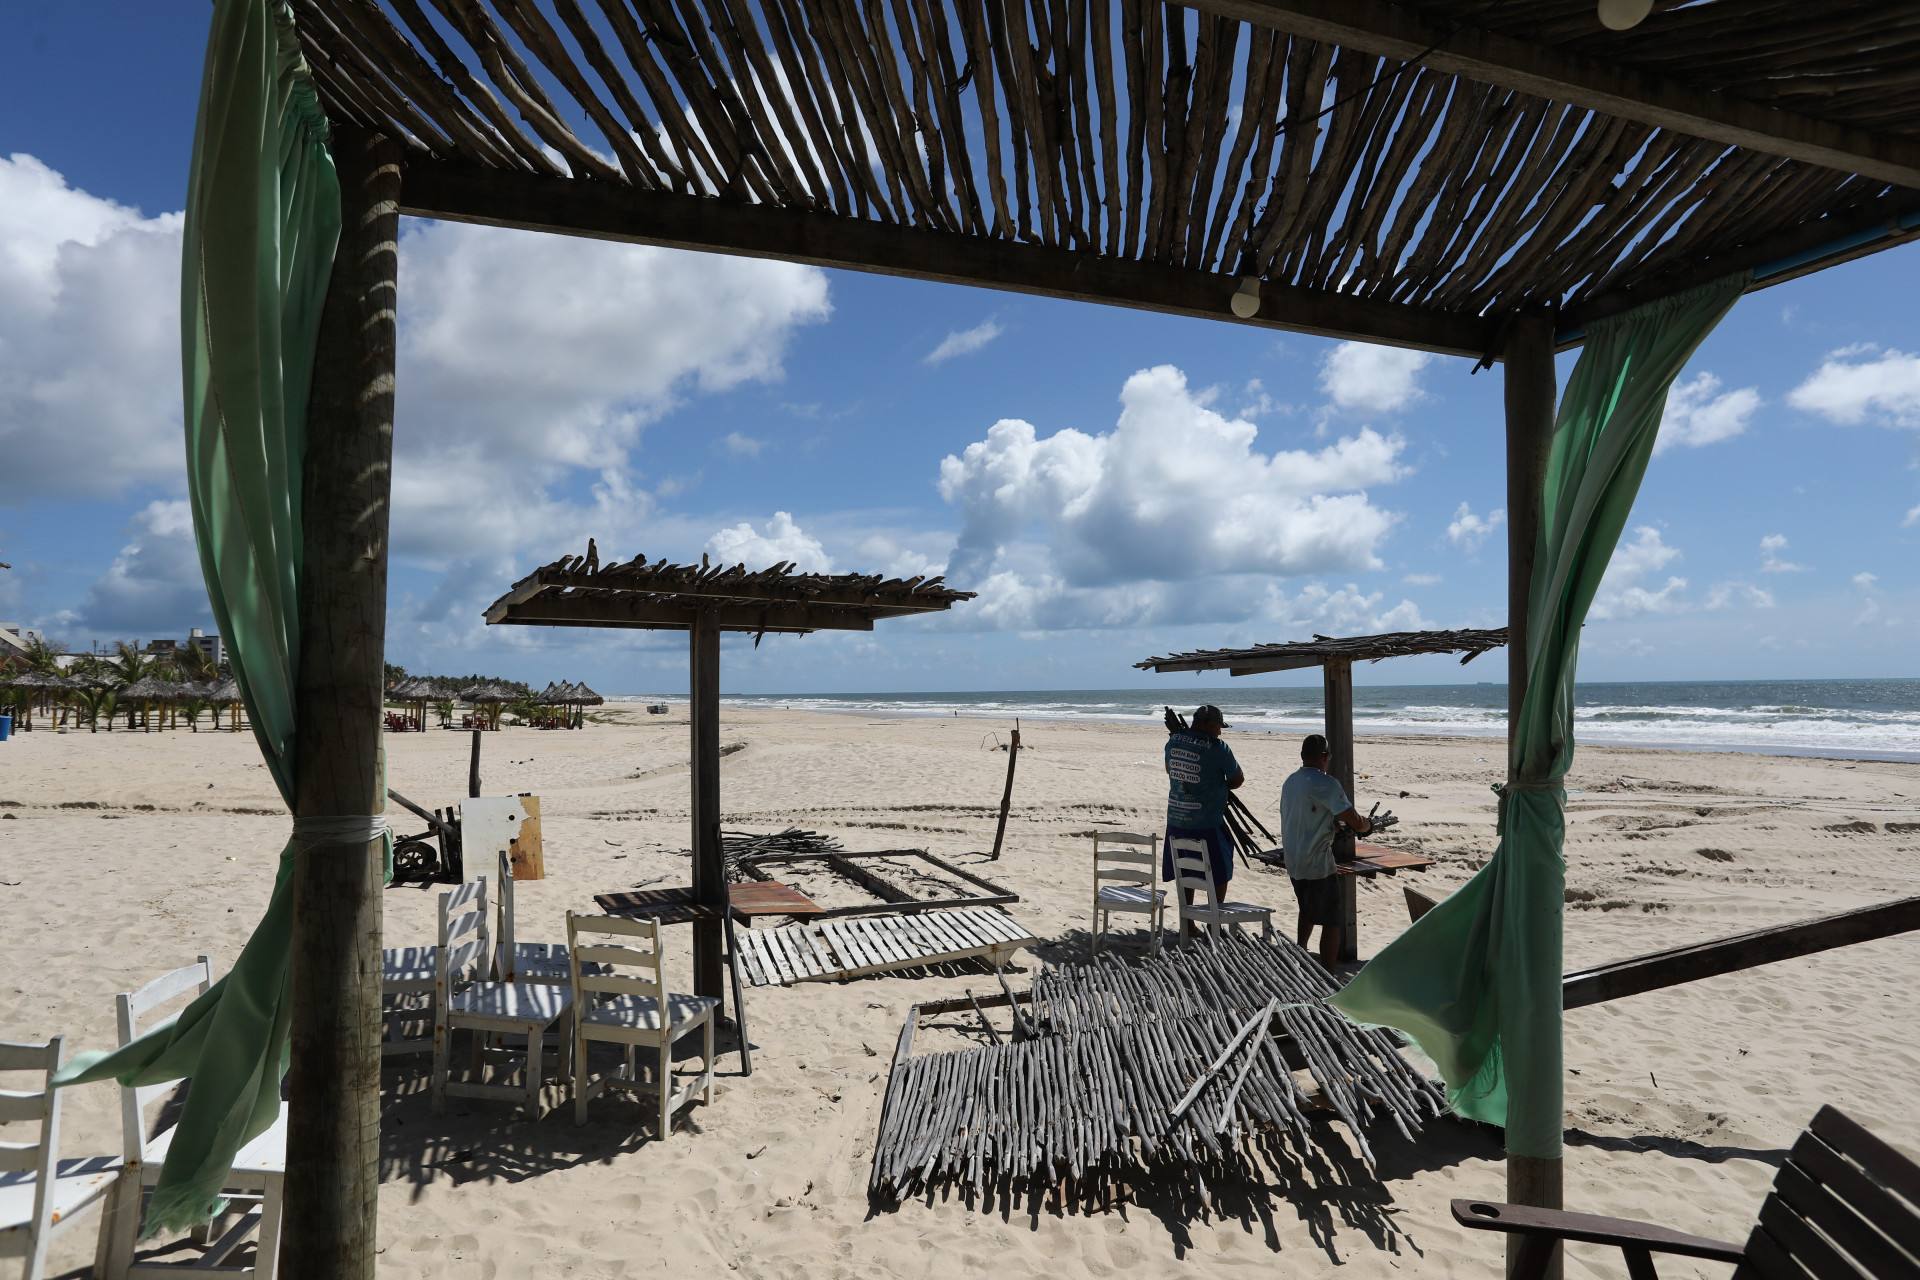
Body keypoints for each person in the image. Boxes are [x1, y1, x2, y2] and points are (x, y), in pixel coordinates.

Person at [1279, 733, 1372, 972]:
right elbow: (1356, 822)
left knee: (1307, 909)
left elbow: (1305, 816)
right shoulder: (1327, 783)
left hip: (1293, 860)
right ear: (1326, 757)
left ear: (1302, 756)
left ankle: (1300, 957)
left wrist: (1332, 825)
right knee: (1332, 921)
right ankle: (1328, 973)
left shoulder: (1290, 781)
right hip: (1317, 862)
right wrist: (1368, 826)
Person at [1163, 704, 1244, 935]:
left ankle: (1188, 923)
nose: (1220, 732)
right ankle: (1213, 921)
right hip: (1206, 821)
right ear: (1209, 725)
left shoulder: (1174, 740)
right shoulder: (1218, 748)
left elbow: (1170, 769)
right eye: (1219, 727)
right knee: (1220, 868)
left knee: (1185, 868)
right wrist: (1220, 788)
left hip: (1177, 818)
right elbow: (1237, 779)